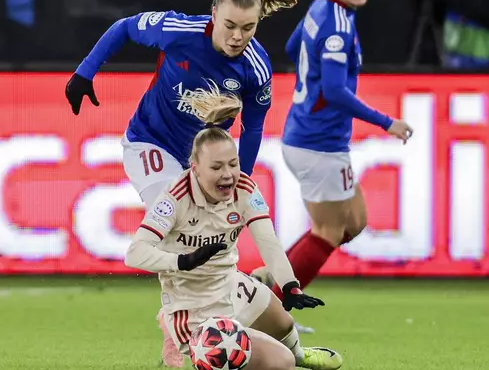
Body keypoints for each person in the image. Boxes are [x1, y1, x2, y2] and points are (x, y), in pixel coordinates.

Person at [64, 0, 299, 366]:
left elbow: (254, 128)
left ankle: (242, 290)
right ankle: (177, 328)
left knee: (212, 236)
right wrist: (85, 72)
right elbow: (125, 26)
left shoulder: (255, 67)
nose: (238, 36)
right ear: (213, 16)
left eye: (248, 27)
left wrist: (242, 180)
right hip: (150, 144)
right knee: (173, 223)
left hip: (204, 164)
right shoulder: (178, 31)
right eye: (229, 25)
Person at [125, 84, 344, 370]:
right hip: (193, 308)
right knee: (281, 363)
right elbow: (134, 253)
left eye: (233, 163)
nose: (228, 174)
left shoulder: (243, 188)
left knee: (284, 323)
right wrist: (183, 261)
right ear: (195, 168)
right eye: (217, 167)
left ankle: (301, 354)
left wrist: (290, 285)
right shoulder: (174, 199)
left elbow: (268, 240)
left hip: (231, 284)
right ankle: (180, 335)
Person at [251, 0, 414, 329]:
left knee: (353, 223)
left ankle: (271, 280)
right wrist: (387, 123)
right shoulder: (337, 24)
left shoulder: (323, 8)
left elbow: (295, 47)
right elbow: (335, 91)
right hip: (317, 144)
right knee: (328, 231)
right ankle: (271, 316)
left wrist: (308, 88)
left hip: (317, 140)